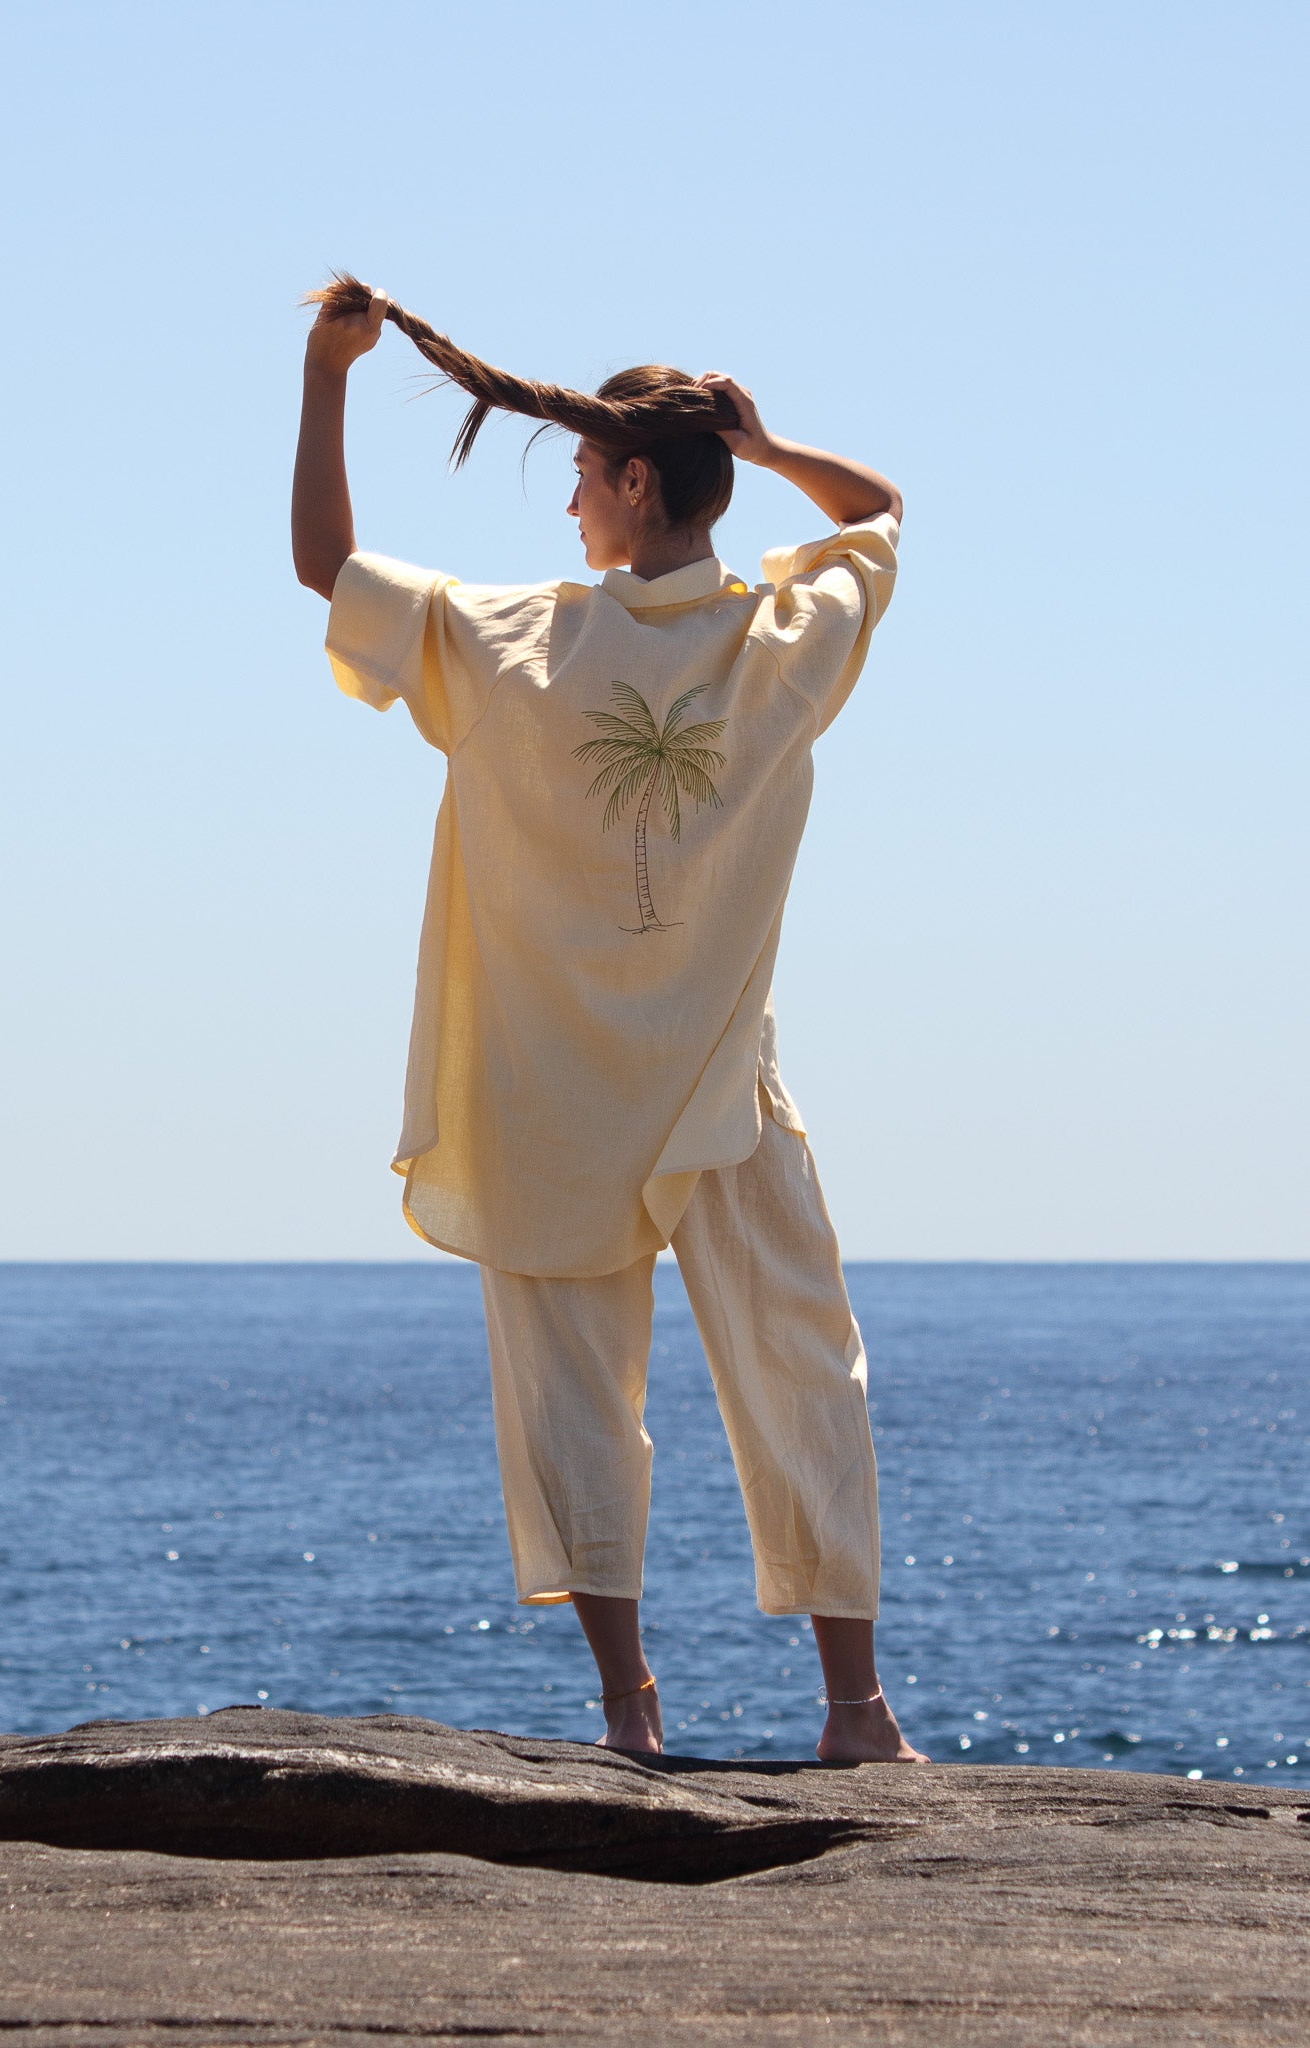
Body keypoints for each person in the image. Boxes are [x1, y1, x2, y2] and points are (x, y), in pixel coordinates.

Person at [292, 275, 926, 1765]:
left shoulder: (512, 642)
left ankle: (629, 1717)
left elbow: (324, 562)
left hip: (549, 1098)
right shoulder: (786, 635)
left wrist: (325, 376)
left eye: (582, 476)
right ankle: (857, 1714)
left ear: (636, 483)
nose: (570, 504)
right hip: (718, 1092)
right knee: (803, 1377)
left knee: (578, 1402)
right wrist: (764, 448)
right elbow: (882, 511)